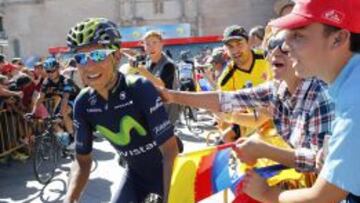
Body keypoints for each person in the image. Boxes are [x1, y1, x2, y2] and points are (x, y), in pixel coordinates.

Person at [160, 30, 333, 175]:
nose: (274, 54)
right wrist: (171, 96)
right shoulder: (275, 89)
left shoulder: (320, 94)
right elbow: (226, 99)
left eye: (285, 48)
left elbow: (320, 161)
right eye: (270, 48)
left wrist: (264, 150)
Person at [237, 0, 360, 202]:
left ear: (338, 39)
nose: (285, 46)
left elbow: (322, 197)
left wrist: (267, 194)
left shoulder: (354, 99)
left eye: (298, 36)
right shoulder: (347, 84)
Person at [64, 17, 178, 203]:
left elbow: (169, 151)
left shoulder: (139, 88)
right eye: (81, 58)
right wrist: (69, 199)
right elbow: (82, 161)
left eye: (98, 55)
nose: (89, 66)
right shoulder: (83, 103)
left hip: (171, 169)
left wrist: (169, 198)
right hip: (135, 176)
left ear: (116, 56)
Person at [216, 25, 273, 142]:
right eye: (230, 46)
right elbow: (226, 115)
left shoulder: (268, 58)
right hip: (255, 134)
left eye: (239, 44)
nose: (235, 50)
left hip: (282, 124)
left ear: (248, 42)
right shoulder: (226, 79)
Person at [28, 57, 80, 147]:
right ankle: (64, 141)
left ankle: (73, 138)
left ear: (58, 69)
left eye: (53, 71)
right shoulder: (46, 81)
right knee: (53, 122)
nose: (51, 74)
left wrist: (60, 114)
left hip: (75, 99)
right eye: (48, 71)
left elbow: (65, 99)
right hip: (63, 100)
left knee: (63, 112)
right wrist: (33, 112)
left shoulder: (66, 81)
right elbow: (40, 97)